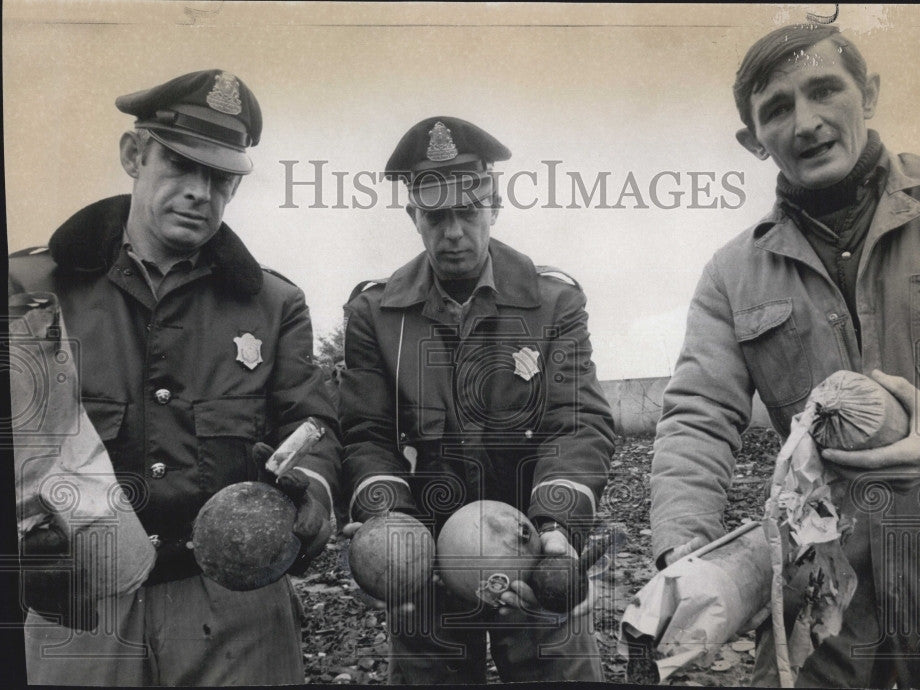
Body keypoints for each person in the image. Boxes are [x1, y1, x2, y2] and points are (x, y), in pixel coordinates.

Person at [649, 24, 920, 689]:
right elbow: (697, 418)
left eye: (824, 90)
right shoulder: (733, 274)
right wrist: (685, 553)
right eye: (777, 108)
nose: (805, 122)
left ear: (866, 94)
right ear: (754, 141)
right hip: (826, 586)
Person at [8, 69, 342, 685]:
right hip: (83, 601)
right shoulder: (31, 292)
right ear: (135, 155)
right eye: (181, 166)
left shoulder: (272, 305)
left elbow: (314, 424)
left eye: (219, 178)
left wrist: (311, 492)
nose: (199, 192)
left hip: (234, 601)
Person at [338, 116, 616, 683]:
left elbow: (576, 424)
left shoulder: (552, 304)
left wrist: (557, 531)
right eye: (437, 216)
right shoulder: (375, 314)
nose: (454, 232)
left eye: (468, 211)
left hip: (534, 551)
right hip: (427, 571)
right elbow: (368, 434)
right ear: (413, 215)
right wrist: (392, 530)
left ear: (493, 205)